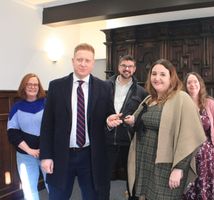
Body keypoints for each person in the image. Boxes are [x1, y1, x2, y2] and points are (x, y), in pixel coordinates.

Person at [107, 59, 206, 200]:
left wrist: (179, 168)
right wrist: (130, 121)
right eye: (154, 74)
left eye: (162, 74)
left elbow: (190, 137)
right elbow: (140, 121)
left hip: (165, 166)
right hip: (144, 161)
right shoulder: (149, 99)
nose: (157, 78)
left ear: (171, 77)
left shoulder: (181, 99)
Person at [39, 43, 114, 200]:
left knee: (92, 196)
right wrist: (46, 156)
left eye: (87, 60)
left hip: (90, 156)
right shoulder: (56, 86)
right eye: (79, 59)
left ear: (93, 63)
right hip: (61, 155)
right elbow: (47, 124)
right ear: (73, 61)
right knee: (57, 196)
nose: (83, 64)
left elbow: (109, 117)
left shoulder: (104, 88)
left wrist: (109, 122)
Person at [106, 55, 147, 199]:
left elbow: (144, 118)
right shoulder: (105, 86)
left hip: (129, 142)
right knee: (103, 179)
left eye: (130, 66)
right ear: (119, 67)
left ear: (134, 69)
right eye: (124, 65)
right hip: (107, 140)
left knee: (132, 180)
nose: (127, 69)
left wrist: (134, 121)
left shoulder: (141, 92)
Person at [7, 73, 47, 200]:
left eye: (35, 84)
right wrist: (30, 150)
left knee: (53, 186)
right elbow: (12, 132)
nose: (32, 87)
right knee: (29, 190)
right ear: (24, 87)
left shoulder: (47, 103)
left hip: (47, 154)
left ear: (39, 87)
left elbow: (55, 127)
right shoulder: (16, 107)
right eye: (29, 84)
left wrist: (44, 149)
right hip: (25, 155)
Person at [183, 72, 214, 200]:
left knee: (207, 185)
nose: (192, 85)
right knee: (190, 185)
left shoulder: (210, 103)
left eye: (195, 82)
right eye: (189, 82)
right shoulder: (183, 104)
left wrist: (212, 146)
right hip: (189, 152)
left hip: (207, 155)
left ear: (200, 84)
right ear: (186, 86)